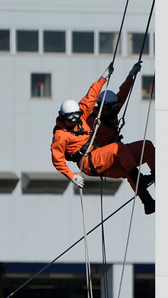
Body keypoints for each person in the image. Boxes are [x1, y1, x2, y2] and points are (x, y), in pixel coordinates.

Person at [51, 62, 156, 214]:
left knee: (146, 146)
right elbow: (57, 160)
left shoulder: (97, 114)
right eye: (70, 120)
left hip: (110, 155)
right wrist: (72, 176)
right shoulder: (68, 132)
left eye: (76, 118)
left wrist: (114, 76)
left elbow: (93, 96)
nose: (74, 122)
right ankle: (141, 181)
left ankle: (152, 195)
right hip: (90, 160)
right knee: (120, 152)